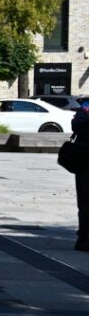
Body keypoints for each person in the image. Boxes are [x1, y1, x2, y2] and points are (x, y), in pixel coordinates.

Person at [74, 98, 89, 251]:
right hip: (85, 162)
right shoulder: (85, 108)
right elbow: (76, 126)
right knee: (85, 201)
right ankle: (84, 237)